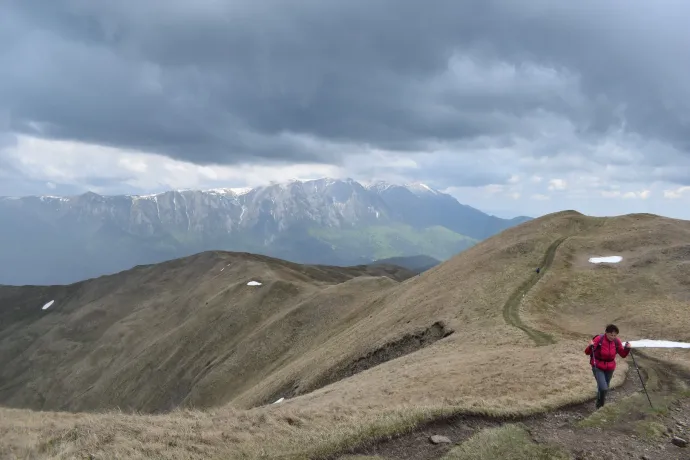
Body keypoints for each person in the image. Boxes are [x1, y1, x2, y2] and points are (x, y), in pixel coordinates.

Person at [584, 324, 631, 409]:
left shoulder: (617, 341)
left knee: (605, 387)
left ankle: (600, 402)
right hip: (598, 366)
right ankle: (600, 406)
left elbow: (623, 354)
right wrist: (590, 346)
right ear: (606, 333)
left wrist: (627, 349)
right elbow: (587, 352)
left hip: (610, 368)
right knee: (603, 388)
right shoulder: (599, 339)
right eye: (611, 335)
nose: (613, 337)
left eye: (615, 335)